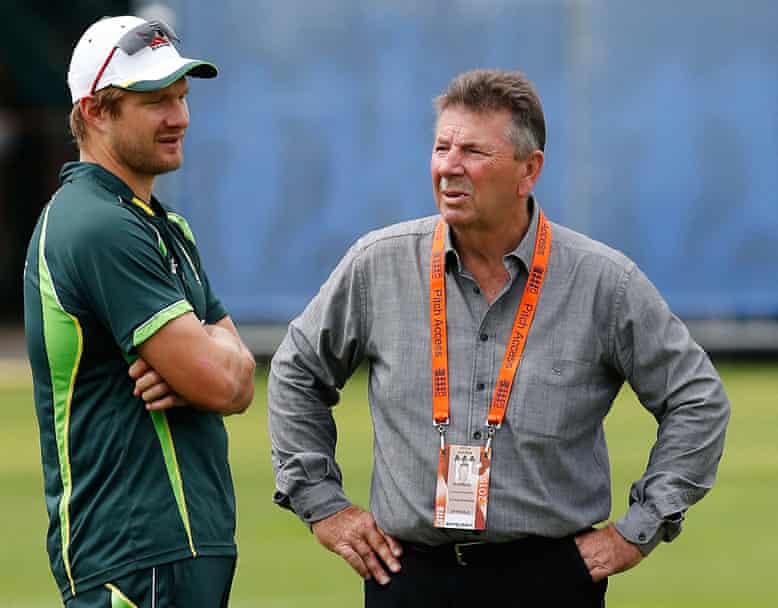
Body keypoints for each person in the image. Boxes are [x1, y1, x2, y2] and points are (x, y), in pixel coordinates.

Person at [267, 69, 730, 607]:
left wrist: (638, 528)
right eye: (442, 147)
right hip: (408, 576)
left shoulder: (604, 282)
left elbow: (697, 399)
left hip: (551, 580)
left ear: (528, 170)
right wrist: (324, 504)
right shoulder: (379, 264)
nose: (448, 167)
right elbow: (297, 371)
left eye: (473, 152)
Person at [23, 15, 255, 607]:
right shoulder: (97, 225)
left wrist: (207, 358)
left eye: (182, 96)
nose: (179, 117)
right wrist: (205, 361)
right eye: (155, 101)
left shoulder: (161, 224)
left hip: (179, 550)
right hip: (136, 558)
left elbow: (239, 378)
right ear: (96, 111)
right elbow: (218, 379)